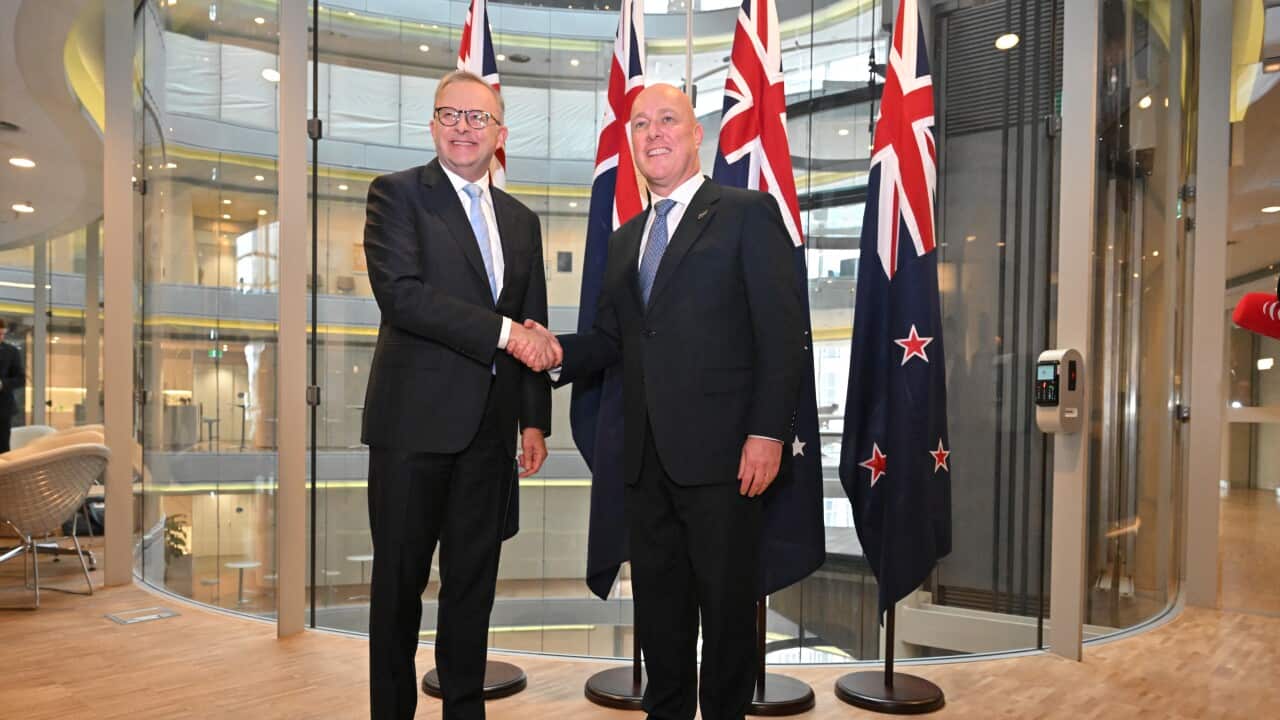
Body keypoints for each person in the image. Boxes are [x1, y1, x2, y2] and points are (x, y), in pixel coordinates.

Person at [513, 84, 805, 720]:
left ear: (696, 133)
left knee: (727, 625)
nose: (653, 134)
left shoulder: (746, 213)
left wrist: (767, 434)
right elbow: (612, 342)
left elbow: (783, 336)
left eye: (667, 120)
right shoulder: (626, 239)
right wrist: (554, 349)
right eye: (640, 124)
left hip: (728, 463)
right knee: (664, 626)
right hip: (645, 467)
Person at [360, 70, 558, 720]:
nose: (464, 127)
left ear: (499, 134)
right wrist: (503, 334)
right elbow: (403, 296)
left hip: (489, 435)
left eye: (478, 118)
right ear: (433, 124)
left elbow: (531, 321)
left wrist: (534, 422)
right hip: (411, 430)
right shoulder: (396, 196)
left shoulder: (521, 220)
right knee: (398, 589)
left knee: (472, 588)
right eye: (452, 114)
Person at [0, 318, 26, 453]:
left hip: (3, 409)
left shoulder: (11, 352)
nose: (1, 337)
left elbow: (21, 379)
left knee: (3, 447)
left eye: (3, 334)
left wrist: (2, 383)